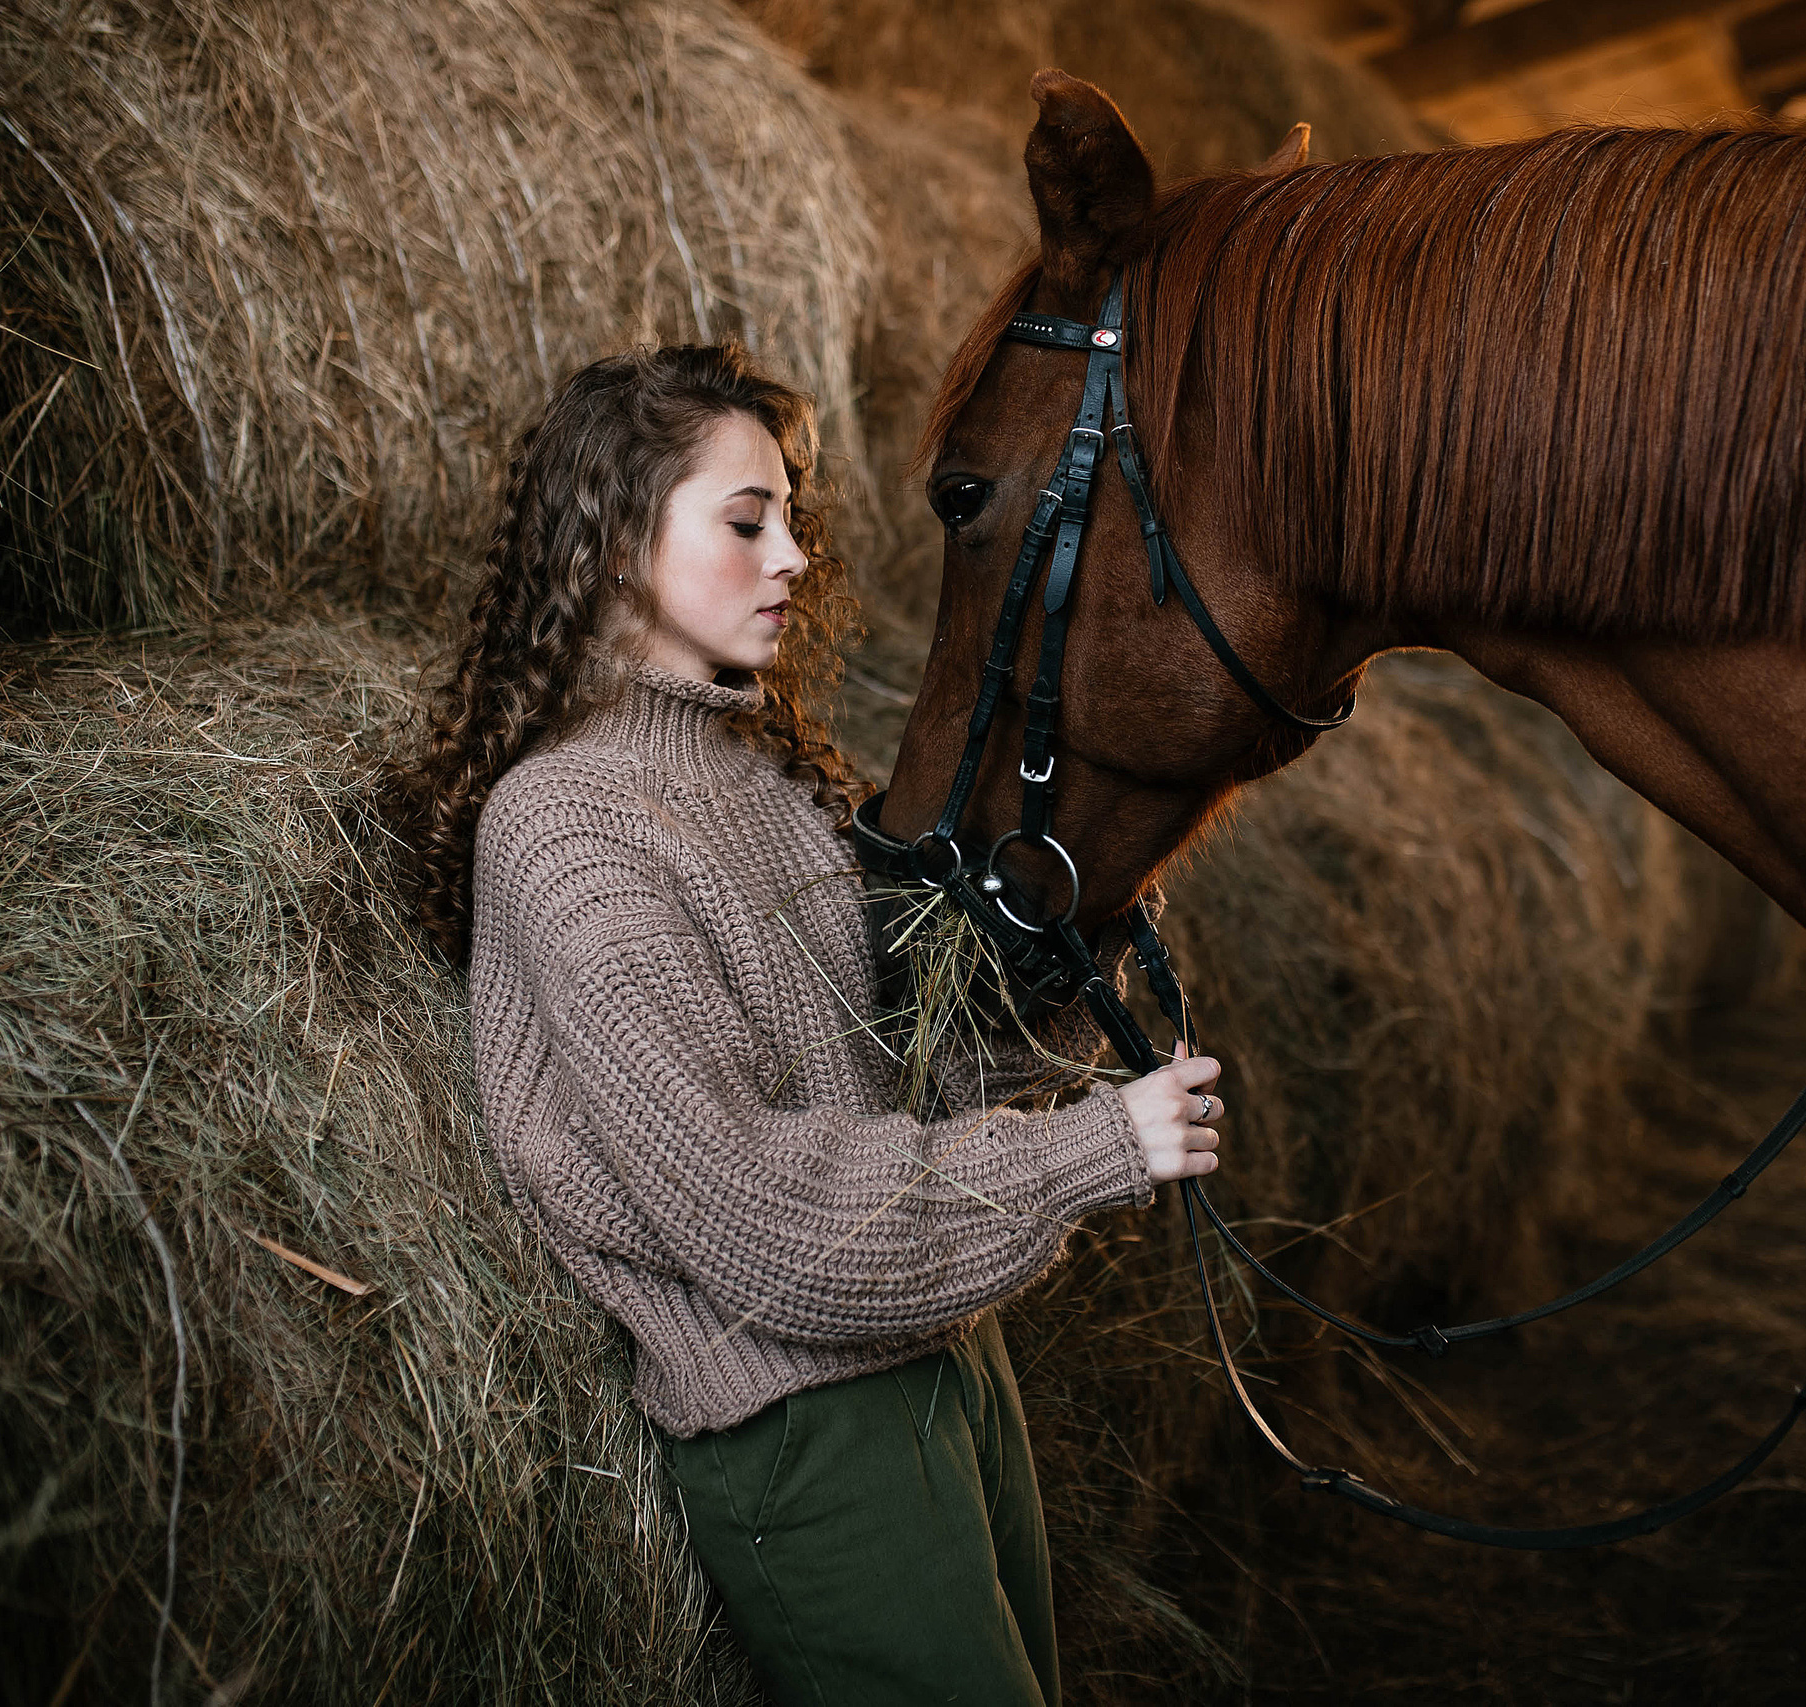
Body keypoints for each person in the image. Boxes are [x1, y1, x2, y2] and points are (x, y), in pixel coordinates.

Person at [397, 343, 1225, 1706]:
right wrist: (1088, 1155)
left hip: (947, 1357)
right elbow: (756, 1222)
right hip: (804, 1417)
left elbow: (910, 1083)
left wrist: (1074, 973)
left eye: (793, 518)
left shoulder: (774, 785)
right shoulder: (566, 829)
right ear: (611, 544)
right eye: (745, 522)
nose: (792, 556)